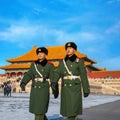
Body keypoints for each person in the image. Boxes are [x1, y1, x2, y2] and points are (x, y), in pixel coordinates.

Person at [51, 42, 90, 120]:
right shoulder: (62, 62)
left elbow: (83, 76)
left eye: (71, 48)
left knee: (72, 111)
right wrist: (53, 81)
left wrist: (86, 89)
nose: (68, 50)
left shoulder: (79, 61)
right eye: (67, 48)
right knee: (68, 111)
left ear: (74, 50)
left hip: (74, 88)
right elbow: (58, 72)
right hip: (65, 89)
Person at [20, 47, 55, 120]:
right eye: (38, 53)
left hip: (43, 88)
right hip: (35, 89)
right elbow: (29, 74)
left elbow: (52, 75)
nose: (40, 55)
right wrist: (23, 82)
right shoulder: (33, 65)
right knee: (37, 109)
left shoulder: (50, 65)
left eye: (42, 53)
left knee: (40, 109)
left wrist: (53, 83)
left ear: (45, 54)